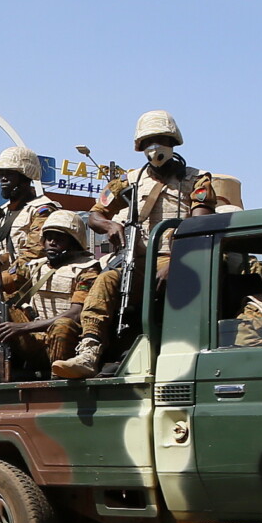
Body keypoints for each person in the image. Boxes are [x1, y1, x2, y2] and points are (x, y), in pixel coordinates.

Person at [55, 110, 219, 379]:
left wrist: (177, 263)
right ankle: (90, 350)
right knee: (106, 279)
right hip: (136, 261)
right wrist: (110, 225)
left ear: (173, 141)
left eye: (160, 139)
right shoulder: (128, 181)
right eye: (147, 141)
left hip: (176, 258)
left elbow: (200, 223)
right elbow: (95, 215)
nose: (154, 147)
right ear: (140, 147)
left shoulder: (197, 180)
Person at [0, 214, 103, 382]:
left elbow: (76, 313)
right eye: (48, 238)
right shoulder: (34, 267)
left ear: (74, 242)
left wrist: (23, 327)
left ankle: (57, 377)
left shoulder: (87, 269)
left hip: (64, 341)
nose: (52, 243)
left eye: (59, 238)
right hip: (33, 339)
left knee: (63, 324)